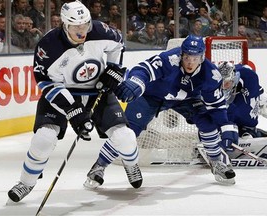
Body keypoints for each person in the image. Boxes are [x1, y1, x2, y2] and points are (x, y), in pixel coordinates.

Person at [7, 0, 142, 203]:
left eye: (85, 25)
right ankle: (26, 182)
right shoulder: (49, 46)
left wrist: (114, 68)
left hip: (98, 91)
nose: (82, 31)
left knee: (125, 138)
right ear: (64, 24)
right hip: (63, 93)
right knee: (43, 139)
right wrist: (73, 110)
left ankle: (131, 165)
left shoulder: (100, 30)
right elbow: (46, 83)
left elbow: (118, 44)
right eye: (76, 26)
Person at [99, 34, 239, 185]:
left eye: (195, 58)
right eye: (186, 58)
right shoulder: (169, 59)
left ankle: (217, 162)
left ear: (202, 57)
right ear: (181, 54)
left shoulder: (211, 75)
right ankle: (100, 166)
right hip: (152, 96)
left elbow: (216, 107)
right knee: (128, 131)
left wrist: (225, 126)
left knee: (207, 122)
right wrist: (137, 81)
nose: (190, 63)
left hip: (186, 100)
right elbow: (143, 69)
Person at [217, 61, 267, 138]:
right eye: (221, 83)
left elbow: (262, 101)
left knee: (247, 136)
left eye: (226, 83)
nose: (224, 87)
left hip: (246, 127)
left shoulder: (249, 79)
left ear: (234, 79)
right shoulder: (213, 86)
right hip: (227, 126)